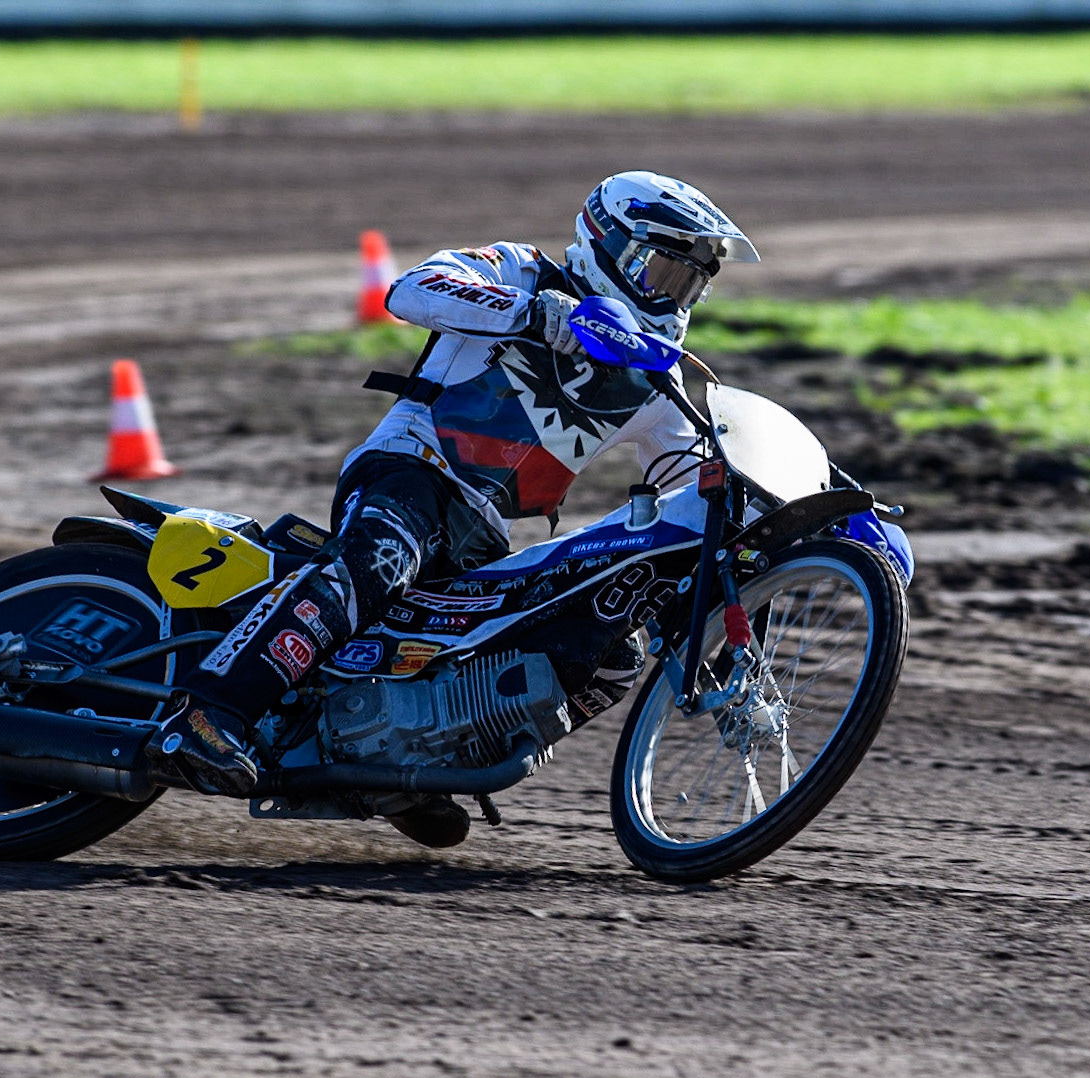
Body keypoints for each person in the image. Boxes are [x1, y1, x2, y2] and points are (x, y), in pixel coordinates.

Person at [155, 169, 760, 816]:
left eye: (687, 282)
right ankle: (204, 711)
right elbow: (411, 289)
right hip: (410, 468)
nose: (672, 295)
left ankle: (399, 766)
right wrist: (533, 315)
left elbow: (685, 486)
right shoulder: (524, 271)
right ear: (607, 241)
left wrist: (745, 512)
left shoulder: (648, 378)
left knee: (612, 648)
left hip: (484, 532)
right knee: (381, 560)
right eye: (660, 271)